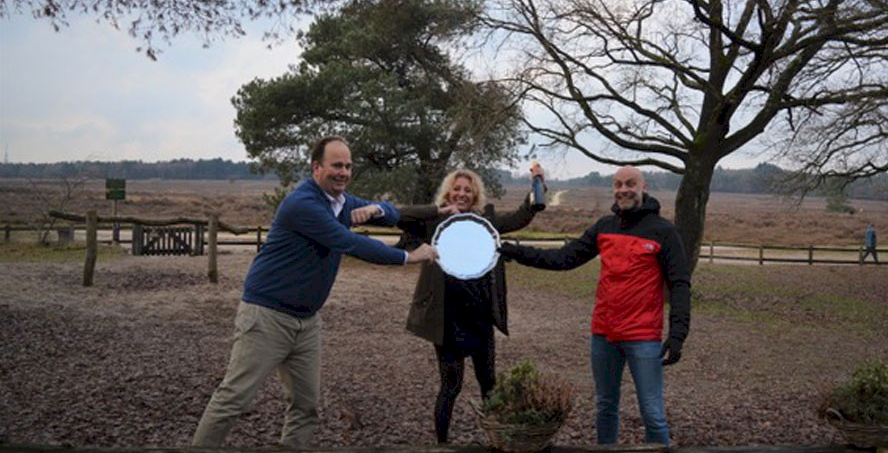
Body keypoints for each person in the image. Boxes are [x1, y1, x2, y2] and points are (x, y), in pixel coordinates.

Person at [192, 136, 437, 448]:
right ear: (316, 168)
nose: (343, 172)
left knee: (306, 407)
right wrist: (409, 256)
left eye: (348, 166)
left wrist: (378, 208)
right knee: (233, 399)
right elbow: (350, 243)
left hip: (306, 321)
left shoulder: (340, 202)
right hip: (267, 316)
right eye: (336, 165)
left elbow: (393, 213)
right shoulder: (304, 204)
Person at [499, 166, 691, 446]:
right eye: (618, 184)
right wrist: (515, 251)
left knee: (652, 413)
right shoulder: (605, 227)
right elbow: (564, 258)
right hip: (603, 334)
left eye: (630, 184)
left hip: (643, 336)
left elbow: (679, 284)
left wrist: (678, 334)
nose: (623, 190)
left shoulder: (663, 232)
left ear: (643, 188)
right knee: (605, 407)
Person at [397, 166, 546, 444]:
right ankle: (442, 444)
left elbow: (519, 218)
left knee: (489, 384)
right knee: (450, 387)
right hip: (447, 318)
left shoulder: (485, 221)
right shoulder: (434, 222)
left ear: (475, 194)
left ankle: (498, 440)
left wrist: (537, 185)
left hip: (479, 318)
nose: (462, 194)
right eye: (457, 188)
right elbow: (403, 217)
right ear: (448, 192)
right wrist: (437, 210)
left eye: (468, 189)